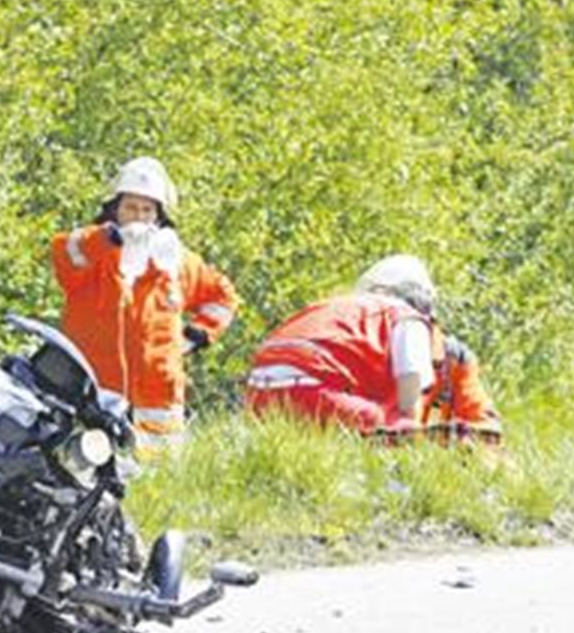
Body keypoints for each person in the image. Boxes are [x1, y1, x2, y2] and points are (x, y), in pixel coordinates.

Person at [51, 157, 238, 450]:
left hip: (158, 400)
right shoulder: (95, 256)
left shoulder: (177, 263)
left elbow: (223, 296)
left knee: (161, 475)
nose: (138, 217)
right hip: (94, 397)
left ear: (159, 216)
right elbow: (64, 253)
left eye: (147, 210)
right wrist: (107, 239)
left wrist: (195, 336)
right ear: (114, 209)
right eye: (130, 208)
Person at [244, 254, 501, 443]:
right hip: (314, 392)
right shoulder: (406, 317)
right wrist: (407, 429)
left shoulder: (332, 309)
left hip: (259, 396)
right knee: (391, 429)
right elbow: (411, 376)